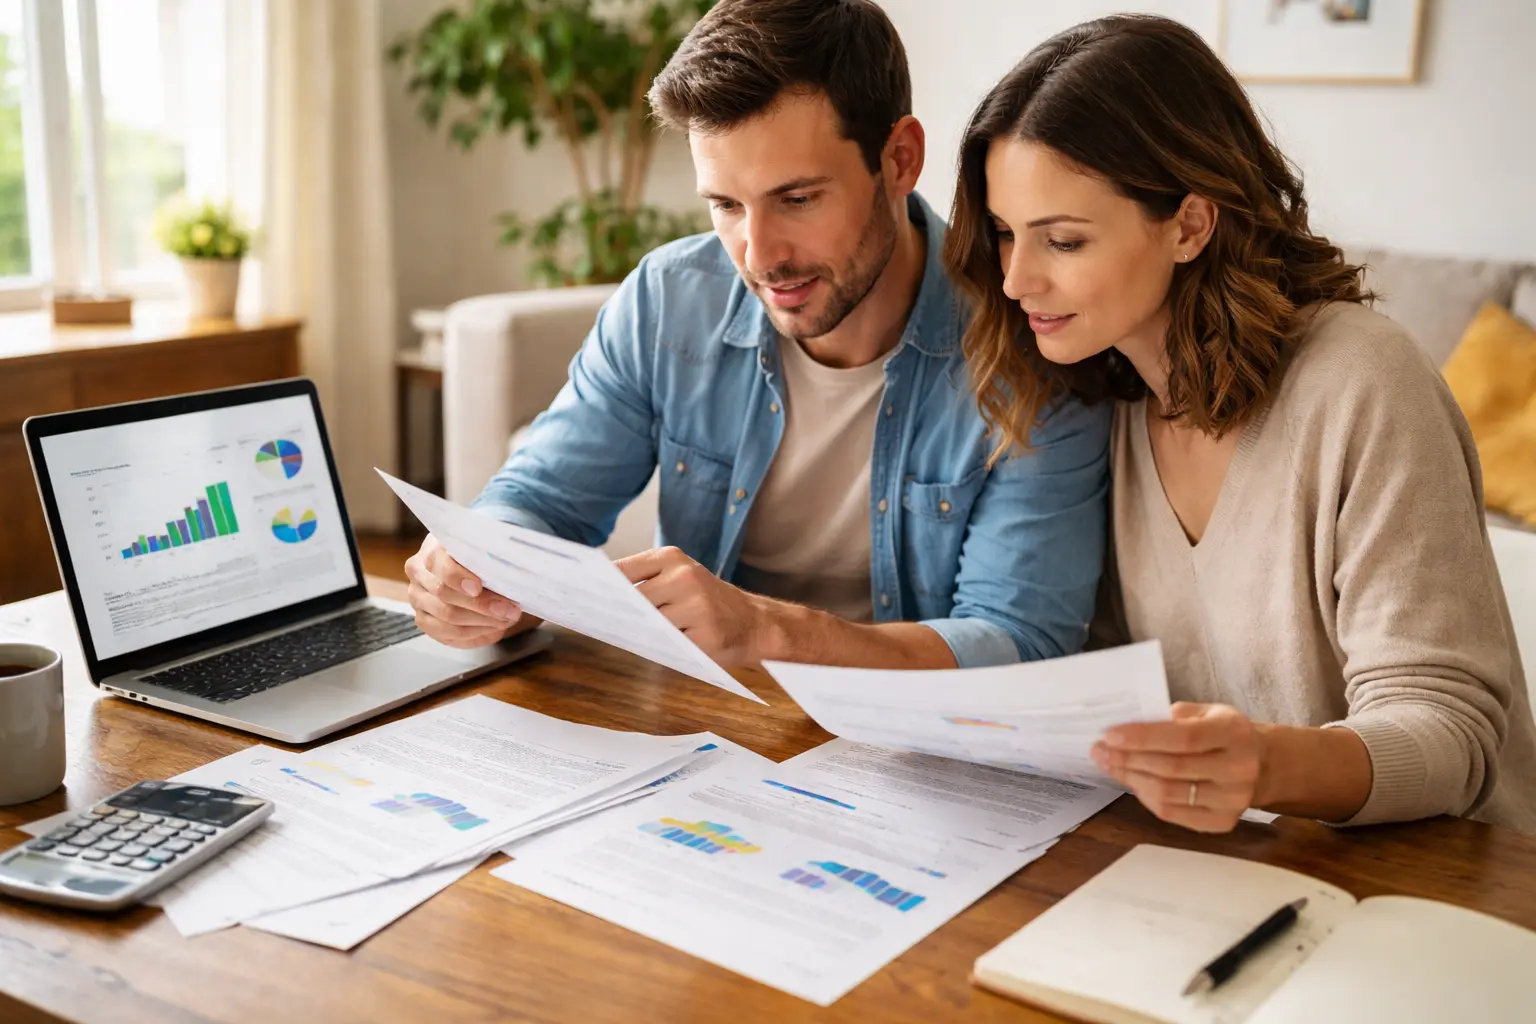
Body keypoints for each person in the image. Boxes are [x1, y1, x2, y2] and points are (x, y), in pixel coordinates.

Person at [944, 14, 1536, 832]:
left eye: (1064, 241)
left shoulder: (1363, 382)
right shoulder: (1098, 400)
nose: (1015, 281)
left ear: (1190, 224)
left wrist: (1265, 763)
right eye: (1006, 235)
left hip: (1442, 886)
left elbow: (1454, 733)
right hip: (1234, 870)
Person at [403, 0, 1111, 672]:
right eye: (726, 205)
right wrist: (478, 569)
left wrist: (772, 632)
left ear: (898, 159)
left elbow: (1020, 643)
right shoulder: (668, 301)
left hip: (920, 753)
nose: (759, 254)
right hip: (708, 730)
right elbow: (547, 499)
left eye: (796, 199)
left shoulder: (1031, 341)